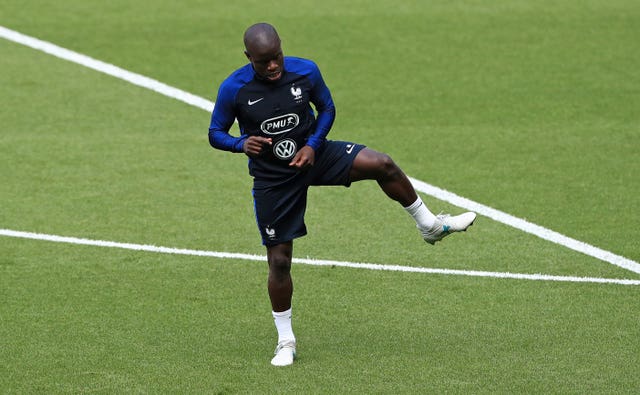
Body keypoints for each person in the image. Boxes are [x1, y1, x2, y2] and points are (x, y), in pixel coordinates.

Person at [208, 22, 476, 367]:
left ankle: (430, 226)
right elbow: (216, 132)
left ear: (281, 49)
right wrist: (240, 143)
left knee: (382, 164)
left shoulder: (305, 71)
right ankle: (285, 341)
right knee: (279, 261)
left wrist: (313, 146)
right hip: (273, 178)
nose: (273, 67)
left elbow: (327, 109)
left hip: (314, 156)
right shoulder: (234, 88)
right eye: (263, 62)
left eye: (276, 57)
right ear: (249, 58)